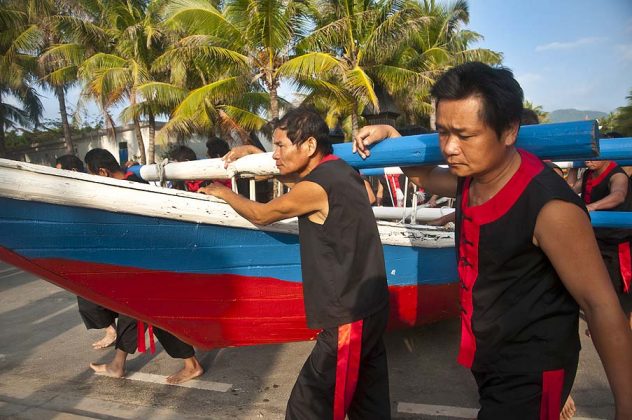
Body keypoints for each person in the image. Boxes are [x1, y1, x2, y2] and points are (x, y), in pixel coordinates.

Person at [353, 62, 632, 419]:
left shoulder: (549, 206)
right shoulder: (471, 178)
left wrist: (625, 407)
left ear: (509, 130)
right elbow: (422, 175)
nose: (450, 148)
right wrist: (391, 134)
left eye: (465, 135)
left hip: (531, 371)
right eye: (442, 132)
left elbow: (600, 305)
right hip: (490, 361)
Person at [199, 108, 391, 420]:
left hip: (349, 316)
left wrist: (222, 191)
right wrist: (256, 155)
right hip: (370, 306)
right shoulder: (341, 170)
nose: (275, 155)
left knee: (309, 405)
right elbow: (294, 178)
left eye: (280, 146)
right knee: (368, 399)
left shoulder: (316, 187)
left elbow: (262, 214)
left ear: (310, 146)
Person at [83, 148, 204, 384]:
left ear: (102, 172)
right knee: (136, 312)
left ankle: (191, 365)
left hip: (151, 262)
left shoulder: (128, 189)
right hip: (148, 261)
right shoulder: (132, 182)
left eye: (93, 176)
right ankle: (118, 364)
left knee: (155, 315)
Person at [55, 154, 120, 349]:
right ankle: (111, 331)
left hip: (107, 249)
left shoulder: (93, 187)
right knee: (86, 294)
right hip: (90, 249)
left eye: (59, 171)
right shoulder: (68, 192)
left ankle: (115, 338)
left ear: (73, 171)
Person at [581, 157, 632, 329]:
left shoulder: (618, 175)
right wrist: (573, 169)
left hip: (617, 243)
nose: (587, 160)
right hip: (596, 239)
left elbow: (618, 196)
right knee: (598, 286)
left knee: (619, 289)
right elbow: (570, 189)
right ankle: (605, 324)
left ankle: (620, 328)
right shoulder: (589, 173)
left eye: (593, 155)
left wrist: (592, 207)